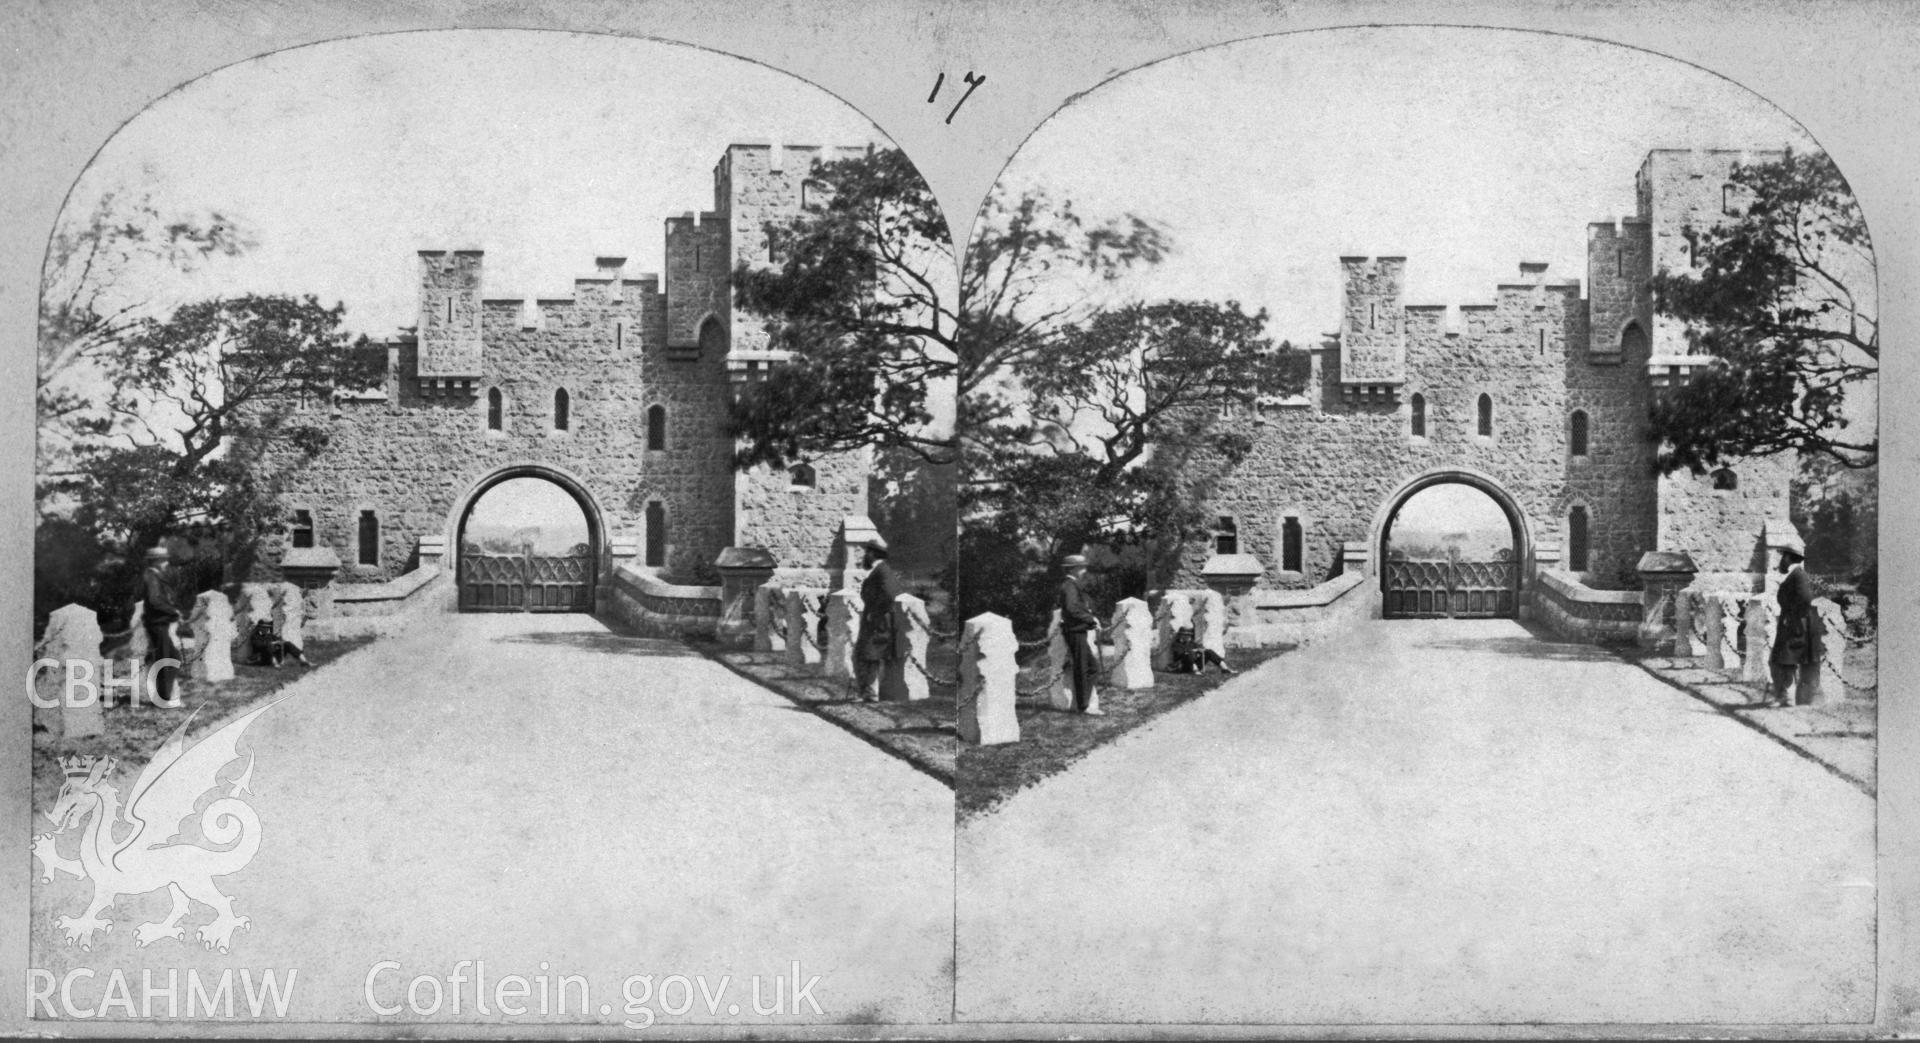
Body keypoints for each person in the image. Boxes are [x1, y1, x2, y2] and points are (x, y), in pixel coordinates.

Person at [1767, 537, 1826, 708]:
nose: (1780, 561)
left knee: (1781, 660)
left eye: (1782, 557)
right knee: (1783, 660)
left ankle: (1786, 698)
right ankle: (1787, 697)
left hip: (1796, 627)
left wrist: (1790, 617)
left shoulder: (1798, 575)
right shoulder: (1795, 575)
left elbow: (1805, 599)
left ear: (1787, 557)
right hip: (1795, 625)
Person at [854, 536, 905, 701]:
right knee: (865, 656)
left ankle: (870, 694)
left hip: (879, 623)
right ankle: (868, 693)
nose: (864, 555)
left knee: (867, 656)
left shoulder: (882, 570)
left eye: (867, 552)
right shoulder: (880, 569)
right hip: (876, 621)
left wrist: (875, 612)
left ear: (873, 554)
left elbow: (891, 594)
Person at [1057, 554, 1102, 715]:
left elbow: (1077, 607)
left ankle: (1083, 704)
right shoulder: (1070, 586)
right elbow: (1072, 608)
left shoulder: (1072, 584)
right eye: (1082, 567)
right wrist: (1091, 620)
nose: (1084, 570)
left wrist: (1091, 619)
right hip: (1075, 631)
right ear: (1074, 569)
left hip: (1078, 630)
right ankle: (1083, 706)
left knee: (1090, 667)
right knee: (1085, 668)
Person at [139, 545, 181, 708]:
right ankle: (163, 698)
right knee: (167, 659)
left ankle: (164, 696)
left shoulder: (156, 575)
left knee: (171, 658)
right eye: (163, 559)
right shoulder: (152, 576)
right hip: (157, 622)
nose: (166, 562)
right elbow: (155, 600)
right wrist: (172, 611)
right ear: (156, 561)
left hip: (160, 621)